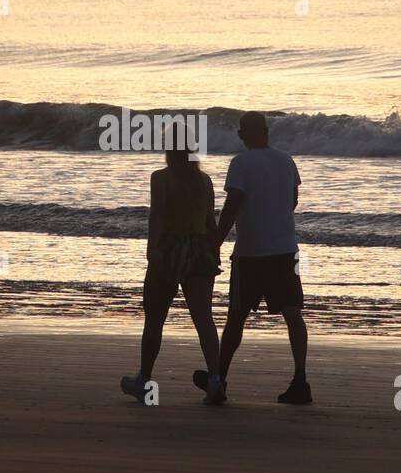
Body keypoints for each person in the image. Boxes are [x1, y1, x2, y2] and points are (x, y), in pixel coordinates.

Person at [195, 111, 311, 404]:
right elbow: (293, 200)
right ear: (267, 131)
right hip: (285, 249)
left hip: (251, 253)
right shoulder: (286, 160)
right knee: (292, 312)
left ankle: (219, 378)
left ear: (242, 135)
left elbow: (233, 205)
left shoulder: (241, 163)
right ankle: (300, 379)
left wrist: (216, 243)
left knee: (236, 316)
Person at [121, 141, 226, 405]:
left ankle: (144, 381)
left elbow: (157, 215)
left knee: (155, 319)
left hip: (169, 248)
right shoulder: (204, 181)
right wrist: (215, 252)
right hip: (199, 249)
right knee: (204, 318)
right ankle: (215, 379)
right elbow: (210, 222)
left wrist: (151, 249)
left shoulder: (161, 178)